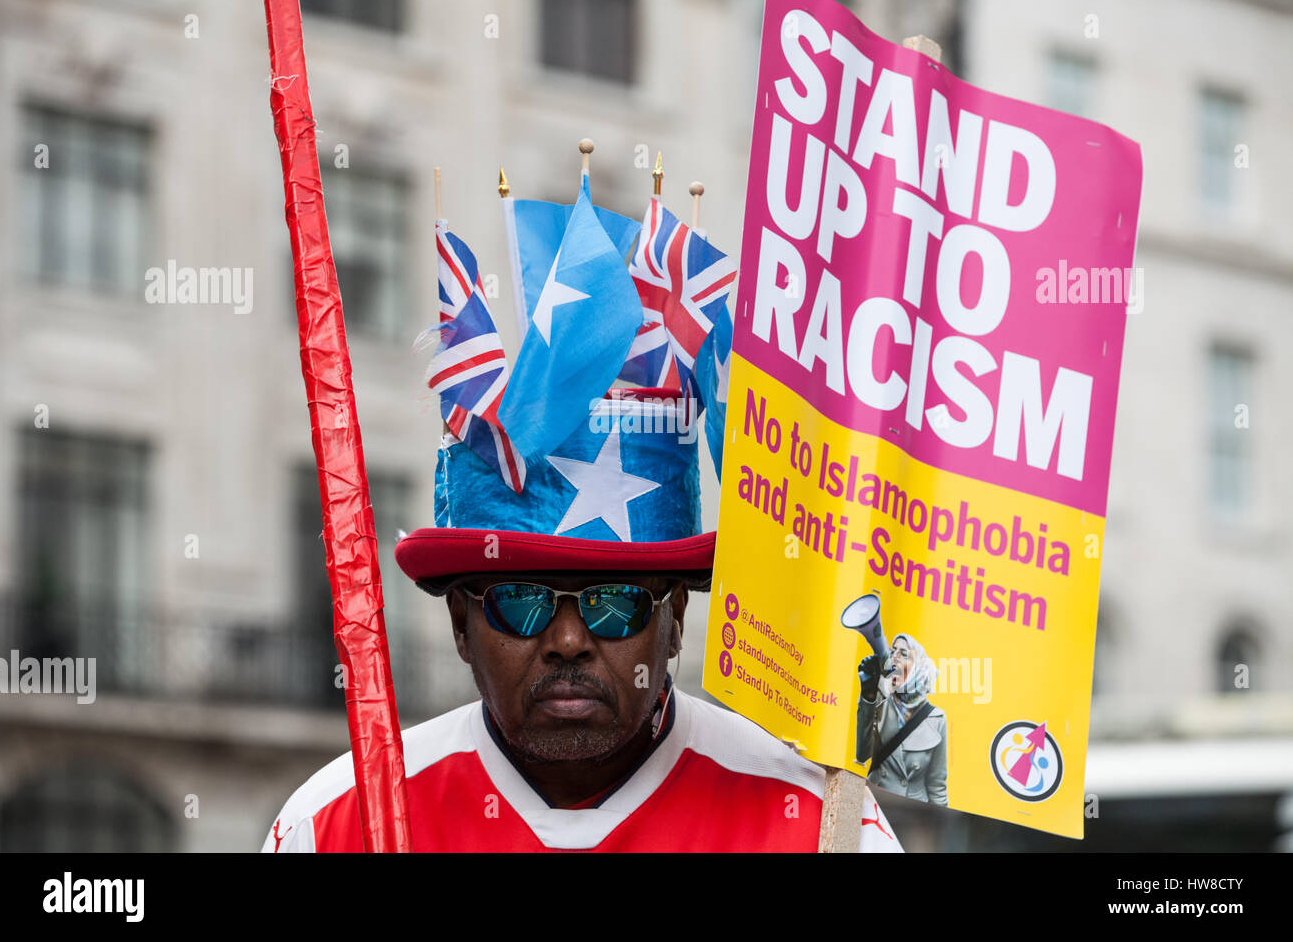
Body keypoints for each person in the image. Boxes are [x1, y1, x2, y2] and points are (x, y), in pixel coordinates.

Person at [264, 169, 901, 852]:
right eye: (521, 601)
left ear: (676, 618)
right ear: (460, 623)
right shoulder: (337, 825)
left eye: (617, 601)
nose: (568, 640)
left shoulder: (817, 821)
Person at [856, 633, 948, 806]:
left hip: (912, 815)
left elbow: (937, 786)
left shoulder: (937, 719)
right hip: (874, 804)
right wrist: (868, 695)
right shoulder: (880, 701)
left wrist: (936, 823)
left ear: (918, 668)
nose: (894, 658)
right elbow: (862, 754)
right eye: (892, 652)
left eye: (903, 654)